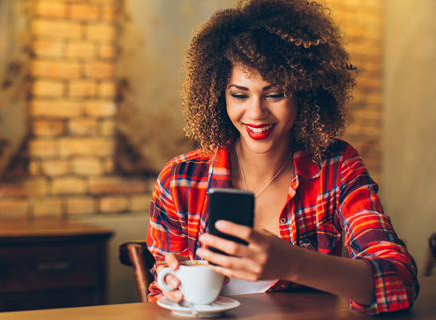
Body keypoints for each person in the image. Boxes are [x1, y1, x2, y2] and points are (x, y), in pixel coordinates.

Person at [146, 0, 419, 315]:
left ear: (305, 94)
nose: (256, 113)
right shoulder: (180, 180)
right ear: (218, 95)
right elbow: (161, 293)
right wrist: (173, 283)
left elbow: (400, 283)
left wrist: (293, 262)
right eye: (239, 94)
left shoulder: (336, 167)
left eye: (275, 94)